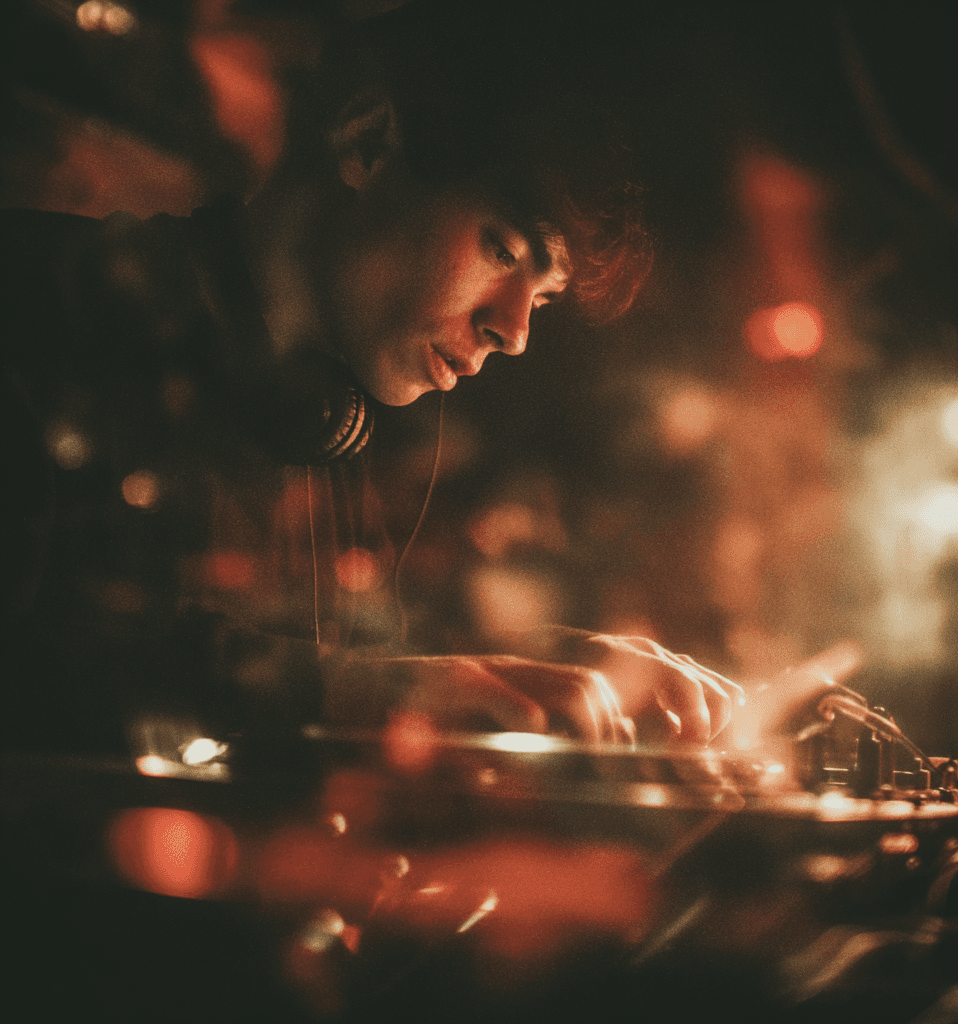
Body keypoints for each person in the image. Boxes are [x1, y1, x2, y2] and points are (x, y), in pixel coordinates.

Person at [2, 2, 742, 763]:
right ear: (367, 143)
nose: (515, 332)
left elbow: (273, 642)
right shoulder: (45, 310)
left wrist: (519, 662)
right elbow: (38, 660)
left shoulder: (319, 417)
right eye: (501, 249)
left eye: (543, 297)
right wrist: (342, 691)